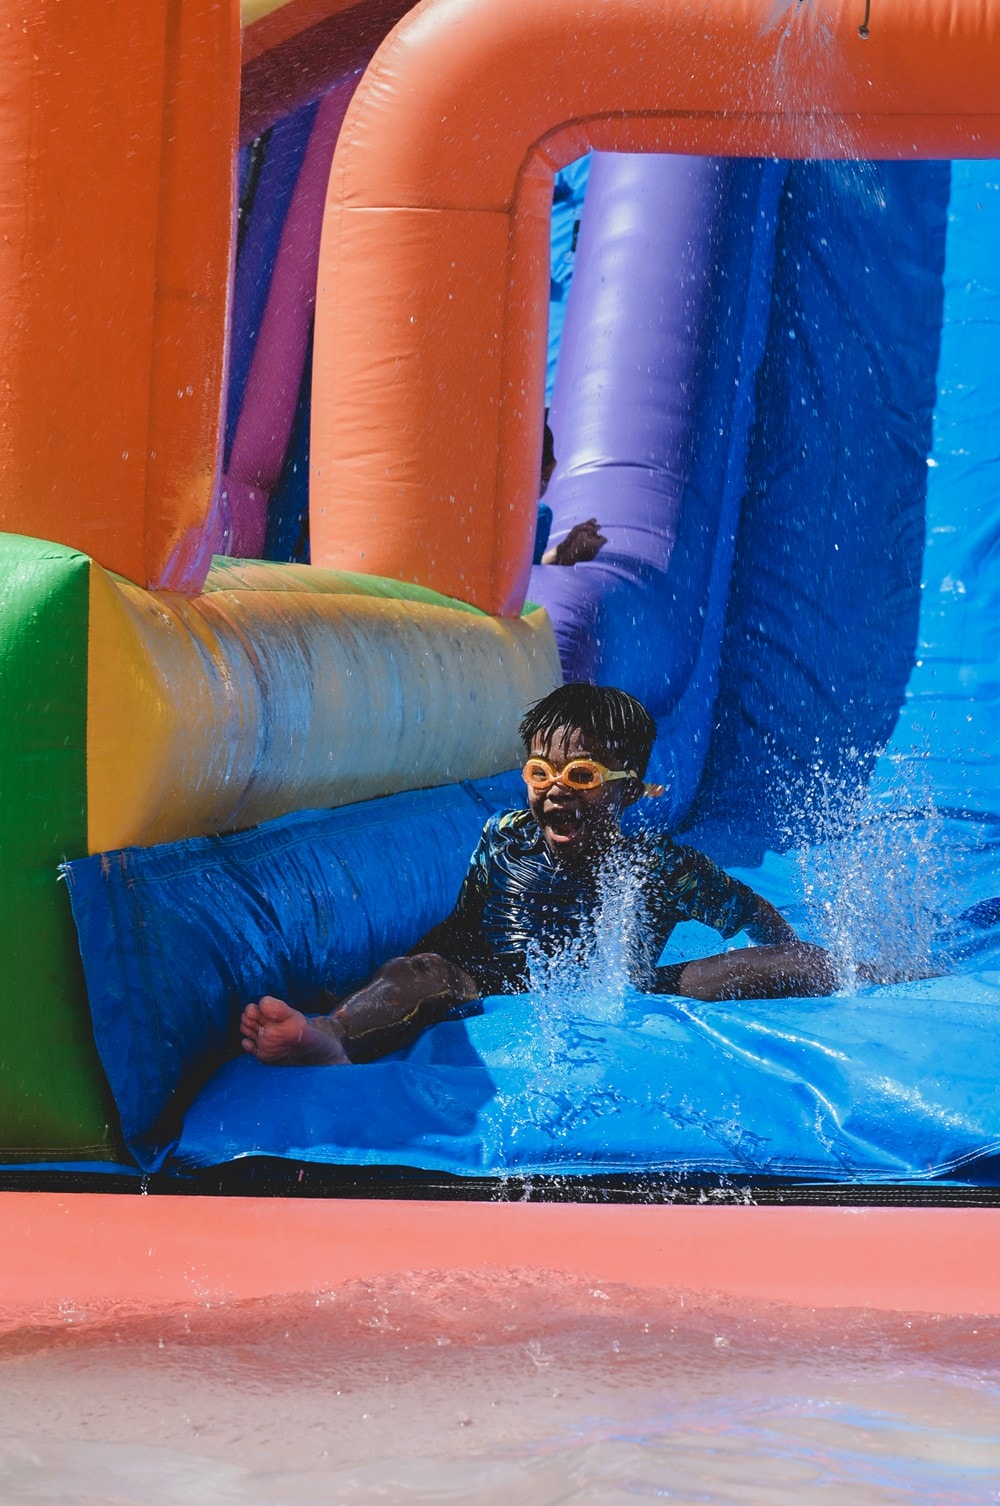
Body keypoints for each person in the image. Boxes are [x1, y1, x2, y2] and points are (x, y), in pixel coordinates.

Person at [240, 683, 840, 1068]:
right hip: (495, 979)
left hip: (625, 988)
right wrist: (377, 987)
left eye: (581, 776)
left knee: (785, 962)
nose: (556, 791)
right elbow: (459, 929)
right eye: (539, 772)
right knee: (420, 971)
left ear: (628, 790)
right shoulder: (505, 838)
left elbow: (750, 910)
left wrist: (783, 950)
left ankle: (861, 970)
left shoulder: (659, 865)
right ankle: (332, 1037)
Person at [534, 420, 606, 566]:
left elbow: (527, 566)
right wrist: (570, 558)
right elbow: (525, 578)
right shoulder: (538, 517)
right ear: (550, 469)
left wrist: (562, 549)